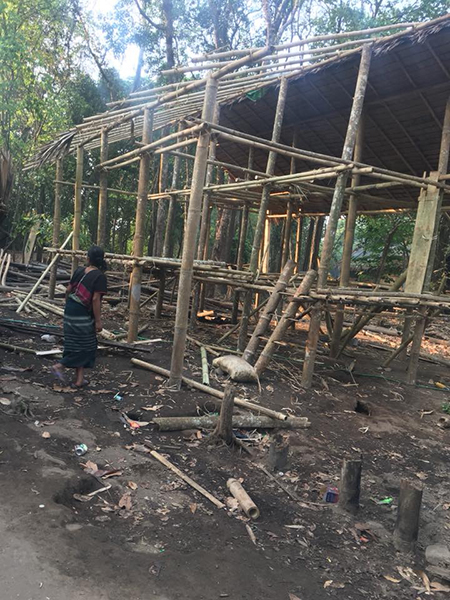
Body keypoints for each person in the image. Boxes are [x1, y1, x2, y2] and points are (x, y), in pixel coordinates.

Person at [52, 246, 107, 387]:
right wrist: (98, 321)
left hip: (70, 310)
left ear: (88, 259)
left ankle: (79, 380)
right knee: (88, 346)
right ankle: (61, 365)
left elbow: (68, 290)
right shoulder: (100, 276)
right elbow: (95, 299)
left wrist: (69, 307)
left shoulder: (79, 271)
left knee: (75, 343)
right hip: (82, 313)